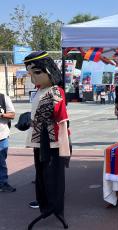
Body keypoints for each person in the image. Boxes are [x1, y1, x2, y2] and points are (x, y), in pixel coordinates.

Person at [24, 51, 71, 229]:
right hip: (39, 141)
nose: (33, 78)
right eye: (30, 73)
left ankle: (55, 208)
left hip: (52, 142)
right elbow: (37, 113)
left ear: (49, 70)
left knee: (53, 178)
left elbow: (58, 117)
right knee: (41, 176)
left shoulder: (55, 91)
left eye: (37, 72)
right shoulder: (39, 91)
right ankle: (45, 205)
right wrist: (28, 119)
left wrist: (29, 119)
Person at [0, 92, 16, 193]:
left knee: (1, 162)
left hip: (1, 136)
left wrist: (1, 114)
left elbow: (12, 114)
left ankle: (3, 183)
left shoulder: (3, 98)